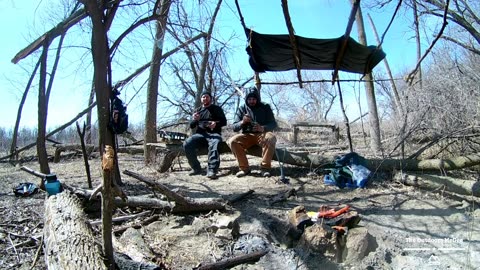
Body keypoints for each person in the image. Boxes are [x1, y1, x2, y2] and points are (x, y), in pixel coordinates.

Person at [227, 87, 277, 177]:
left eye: (254, 99)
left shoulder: (265, 107)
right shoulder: (242, 108)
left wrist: (263, 128)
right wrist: (243, 122)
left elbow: (273, 124)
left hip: (262, 134)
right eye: (249, 99)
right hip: (247, 135)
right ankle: (244, 169)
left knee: (271, 137)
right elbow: (234, 127)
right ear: (246, 99)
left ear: (257, 99)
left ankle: (265, 168)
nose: (251, 101)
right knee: (232, 141)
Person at [183, 91, 227, 179]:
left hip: (214, 134)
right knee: (187, 143)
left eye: (207, 97)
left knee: (214, 145)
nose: (205, 98)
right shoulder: (197, 111)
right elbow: (192, 126)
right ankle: (196, 168)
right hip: (200, 135)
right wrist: (195, 120)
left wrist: (216, 123)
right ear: (201, 99)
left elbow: (224, 122)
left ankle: (212, 170)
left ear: (210, 98)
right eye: (203, 97)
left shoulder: (217, 109)